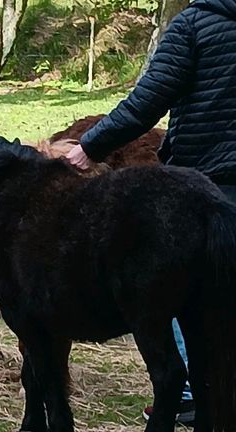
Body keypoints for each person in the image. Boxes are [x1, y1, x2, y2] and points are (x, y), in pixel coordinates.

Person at [65, 0, 236, 425]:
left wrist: (89, 147)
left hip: (211, 182)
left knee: (194, 297)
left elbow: (148, 100)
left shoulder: (195, 24)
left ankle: (198, 396)